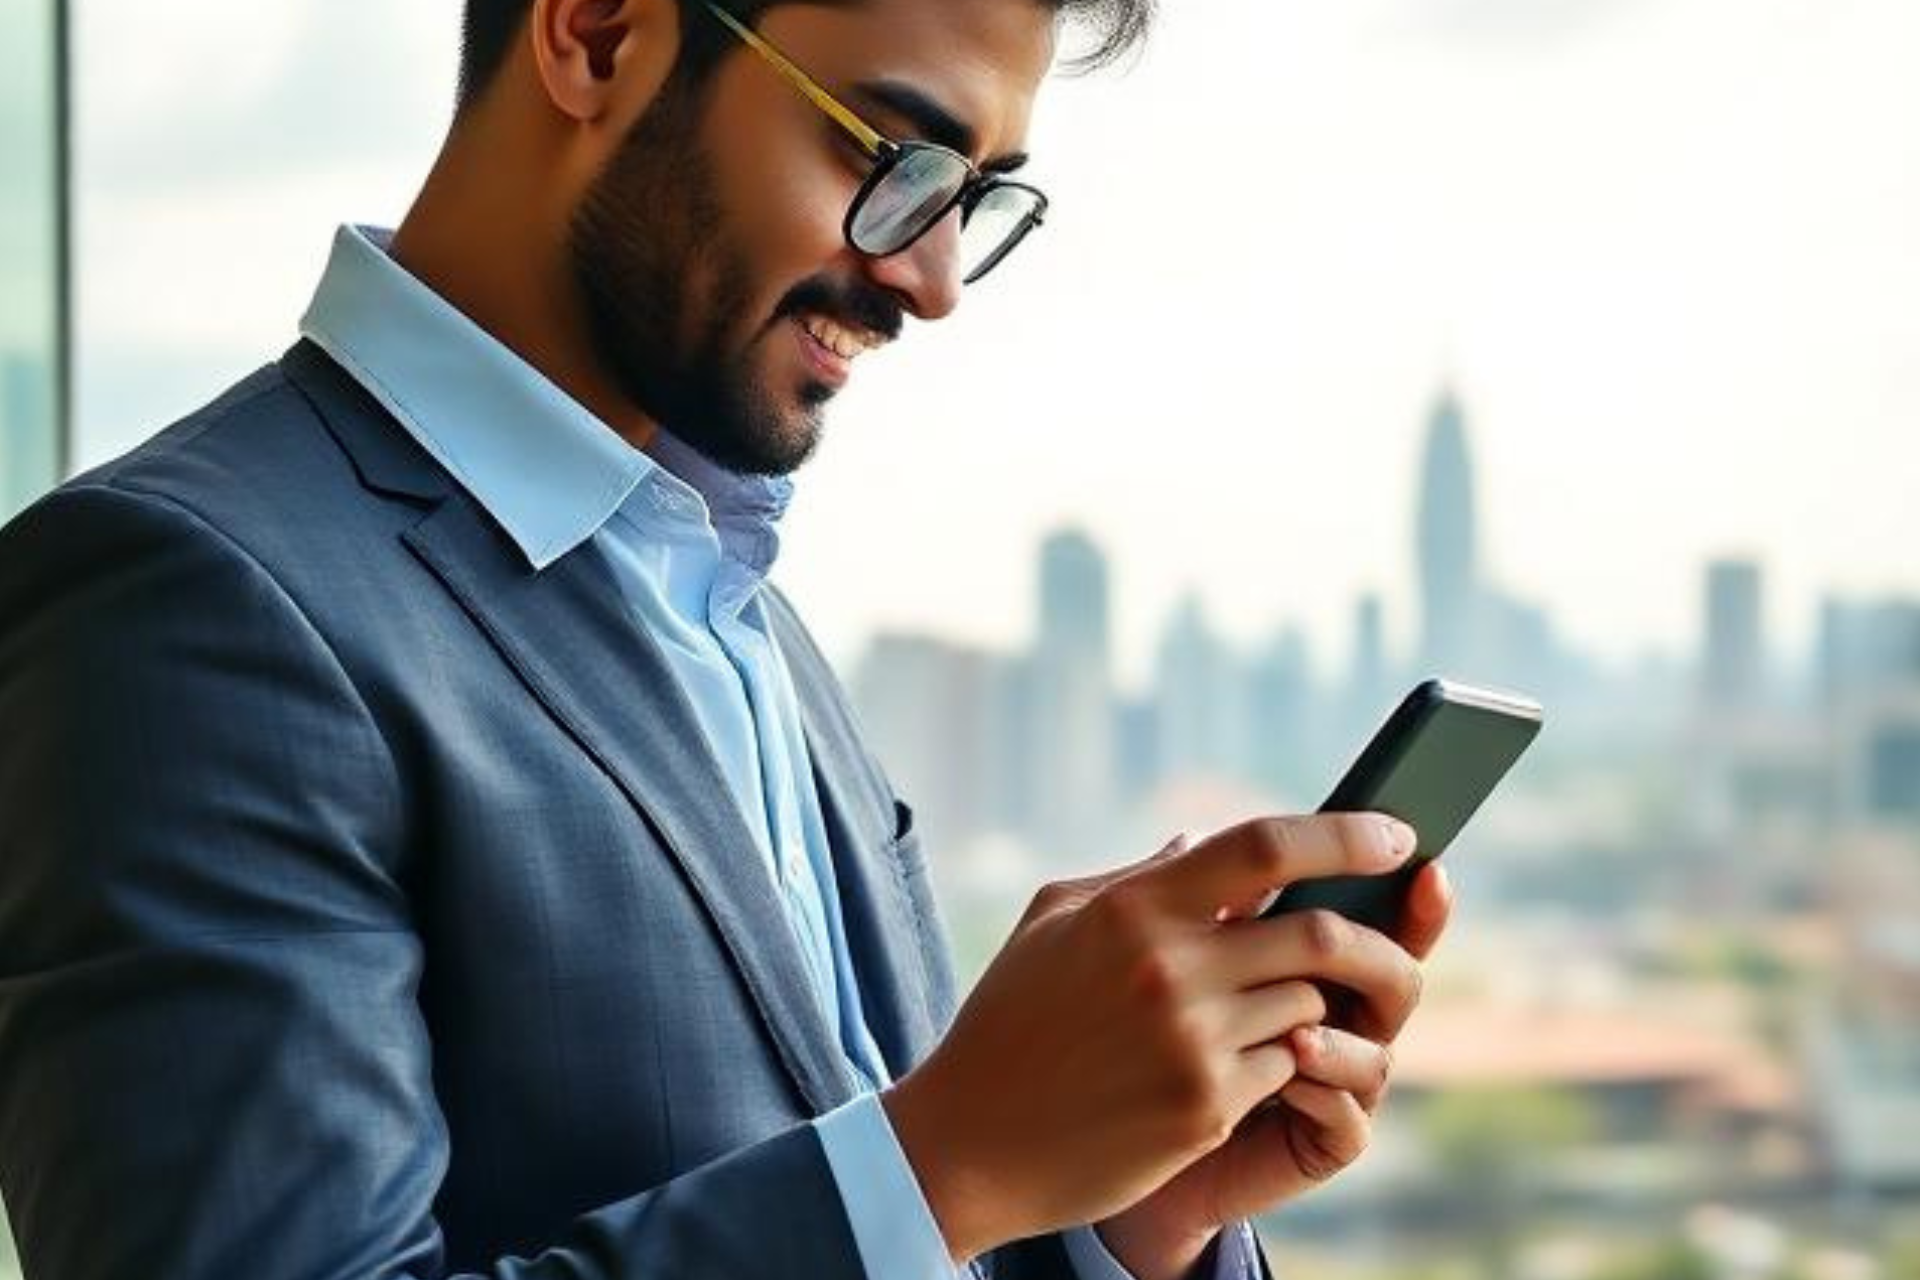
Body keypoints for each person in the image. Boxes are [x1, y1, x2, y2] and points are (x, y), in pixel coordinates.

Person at [0, 1, 1452, 1277]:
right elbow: (907, 1190)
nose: (932, 278)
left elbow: (899, 1227)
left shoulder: (736, 610)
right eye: (893, 160)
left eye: (977, 201)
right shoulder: (186, 595)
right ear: (598, 35)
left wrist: (1121, 1223)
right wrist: (956, 1159)